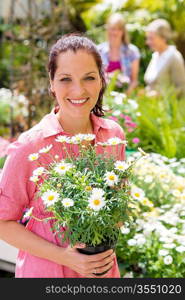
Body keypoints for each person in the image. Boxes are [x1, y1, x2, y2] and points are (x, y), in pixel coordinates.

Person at [0, 33, 126, 278]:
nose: (78, 89)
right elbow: (3, 223)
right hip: (48, 273)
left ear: (101, 80)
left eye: (88, 77)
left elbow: (117, 206)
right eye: (65, 79)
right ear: (52, 83)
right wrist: (65, 257)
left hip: (102, 272)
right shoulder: (30, 147)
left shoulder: (113, 135)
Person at [97, 13, 140, 95]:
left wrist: (125, 95)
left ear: (123, 31)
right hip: (103, 96)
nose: (115, 32)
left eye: (119, 29)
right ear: (108, 29)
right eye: (112, 29)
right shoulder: (98, 51)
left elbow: (134, 81)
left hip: (125, 97)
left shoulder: (132, 51)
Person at [144, 19, 185, 96]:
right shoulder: (155, 56)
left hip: (168, 107)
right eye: (147, 38)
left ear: (163, 38)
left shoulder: (174, 57)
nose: (147, 42)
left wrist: (160, 95)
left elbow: (182, 88)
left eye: (151, 38)